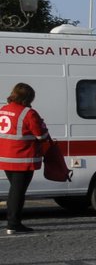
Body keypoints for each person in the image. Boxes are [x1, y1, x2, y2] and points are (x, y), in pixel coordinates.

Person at [0, 83, 51, 235]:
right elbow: (41, 135)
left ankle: (13, 222)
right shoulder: (29, 113)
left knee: (14, 190)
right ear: (28, 97)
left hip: (5, 157)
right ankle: (13, 224)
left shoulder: (4, 110)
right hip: (22, 158)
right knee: (18, 192)